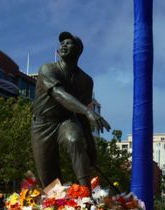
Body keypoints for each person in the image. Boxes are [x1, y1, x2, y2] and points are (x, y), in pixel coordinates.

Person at [31, 32, 111, 190]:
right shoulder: (47, 69)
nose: (63, 45)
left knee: (74, 139)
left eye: (69, 43)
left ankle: (86, 195)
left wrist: (91, 145)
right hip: (42, 124)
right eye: (62, 43)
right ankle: (58, 205)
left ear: (78, 50)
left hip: (65, 121)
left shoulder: (86, 81)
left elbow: (81, 116)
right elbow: (59, 95)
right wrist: (88, 112)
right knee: (49, 181)